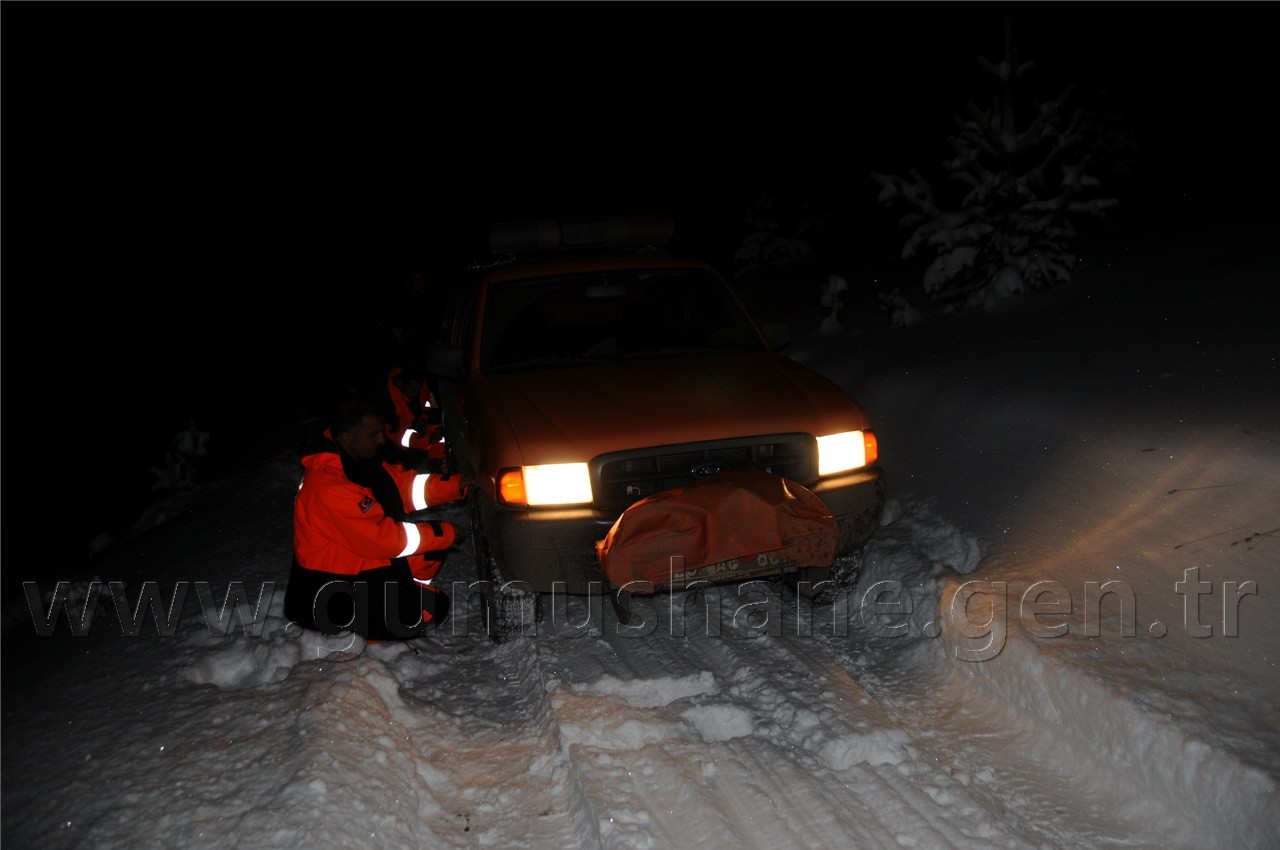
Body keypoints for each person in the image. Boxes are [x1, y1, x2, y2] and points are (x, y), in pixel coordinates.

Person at [283, 396, 464, 641]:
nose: (382, 439)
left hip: (361, 570)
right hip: (330, 591)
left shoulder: (358, 462)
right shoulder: (330, 486)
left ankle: (402, 591)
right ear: (347, 437)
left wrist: (458, 486)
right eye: (374, 434)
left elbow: (405, 489)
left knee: (430, 552)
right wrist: (444, 533)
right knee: (430, 609)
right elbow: (383, 540)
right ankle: (356, 625)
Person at [384, 362, 468, 506]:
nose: (416, 392)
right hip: (398, 443)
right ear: (399, 384)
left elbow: (428, 403)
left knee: (439, 428)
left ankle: (438, 463)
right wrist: (428, 439)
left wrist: (424, 420)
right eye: (412, 389)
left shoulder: (421, 385)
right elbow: (400, 437)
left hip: (419, 424)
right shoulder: (390, 405)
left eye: (418, 389)